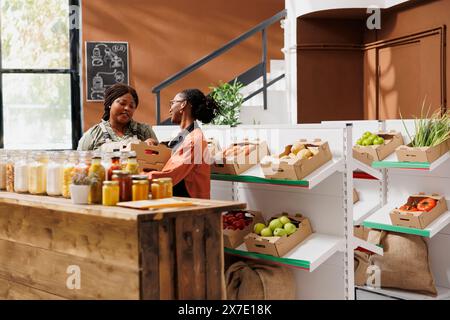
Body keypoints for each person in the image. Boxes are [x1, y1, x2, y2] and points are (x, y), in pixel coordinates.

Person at [145, 89, 221, 199]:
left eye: (173, 103)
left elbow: (170, 175)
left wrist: (136, 177)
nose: (170, 109)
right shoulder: (185, 135)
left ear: (183, 104)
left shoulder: (194, 139)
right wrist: (156, 147)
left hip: (191, 205)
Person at [77, 83, 158, 151]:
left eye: (131, 106)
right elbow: (80, 163)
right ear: (110, 104)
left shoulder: (144, 131)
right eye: (122, 103)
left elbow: (159, 160)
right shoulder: (93, 135)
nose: (127, 108)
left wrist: (149, 146)